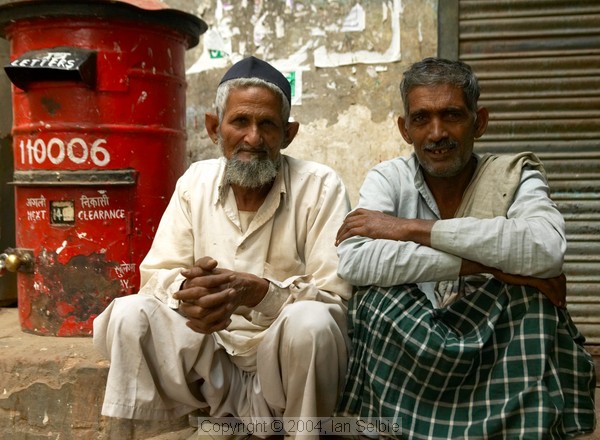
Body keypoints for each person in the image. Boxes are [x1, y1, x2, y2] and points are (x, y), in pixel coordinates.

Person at [334, 57, 596, 438]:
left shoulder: (514, 175)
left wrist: (411, 228)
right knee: (374, 303)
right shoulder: (389, 178)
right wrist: (486, 265)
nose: (437, 133)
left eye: (452, 115)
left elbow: (546, 248)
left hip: (495, 338)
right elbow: (356, 261)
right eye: (421, 119)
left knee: (533, 304)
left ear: (480, 121)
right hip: (416, 340)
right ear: (404, 129)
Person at [93, 56, 351, 438]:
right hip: (212, 365)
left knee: (312, 324)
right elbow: (156, 276)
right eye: (240, 122)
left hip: (282, 369)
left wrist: (262, 293)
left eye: (268, 124)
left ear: (289, 133)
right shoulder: (194, 181)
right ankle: (166, 429)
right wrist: (187, 293)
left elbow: (336, 302)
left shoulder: (321, 187)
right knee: (129, 315)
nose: (253, 138)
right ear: (214, 128)